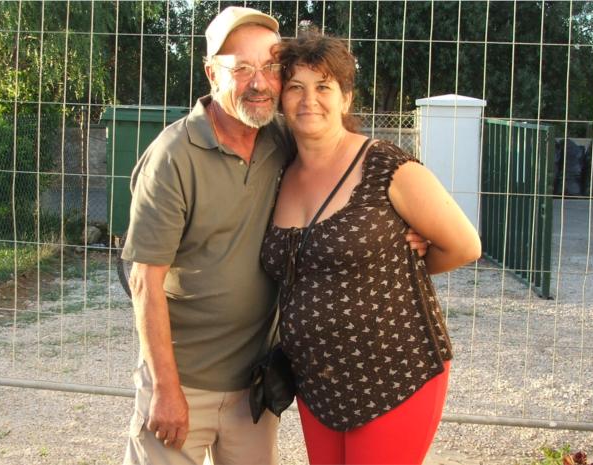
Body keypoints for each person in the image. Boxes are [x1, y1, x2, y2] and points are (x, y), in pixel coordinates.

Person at [121, 6, 429, 465]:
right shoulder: (172, 157)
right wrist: (164, 389)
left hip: (254, 385)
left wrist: (402, 224)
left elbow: (343, 166)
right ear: (211, 73)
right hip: (184, 382)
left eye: (269, 67)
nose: (260, 83)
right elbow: (145, 280)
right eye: (241, 68)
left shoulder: (282, 140)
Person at [261, 31, 482, 465]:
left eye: (323, 87)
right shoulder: (279, 172)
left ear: (345, 98)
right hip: (318, 381)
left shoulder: (384, 165)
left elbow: (464, 245)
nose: (309, 100)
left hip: (394, 371)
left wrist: (408, 261)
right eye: (296, 87)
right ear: (282, 98)